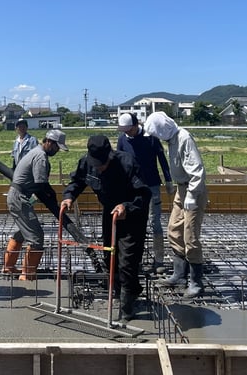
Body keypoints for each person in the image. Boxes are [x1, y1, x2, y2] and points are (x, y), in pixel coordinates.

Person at [61, 135, 150, 320]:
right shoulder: (87, 163)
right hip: (111, 212)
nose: (99, 167)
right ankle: (122, 292)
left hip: (132, 213)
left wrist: (127, 207)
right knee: (110, 255)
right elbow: (77, 181)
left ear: (110, 155)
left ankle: (127, 306)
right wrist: (69, 196)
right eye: (96, 163)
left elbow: (143, 195)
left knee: (128, 260)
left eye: (102, 163)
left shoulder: (127, 163)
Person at [144, 111, 207, 298]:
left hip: (193, 190)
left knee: (190, 236)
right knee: (174, 229)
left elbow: (198, 171)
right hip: (182, 190)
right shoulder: (171, 140)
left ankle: (196, 282)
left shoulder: (184, 138)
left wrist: (192, 195)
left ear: (163, 130)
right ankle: (179, 274)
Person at [3, 129, 69, 280]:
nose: (57, 150)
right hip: (19, 198)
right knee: (36, 237)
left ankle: (9, 267)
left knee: (23, 232)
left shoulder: (36, 152)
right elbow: (41, 184)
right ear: (49, 142)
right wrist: (51, 196)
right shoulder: (40, 157)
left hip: (18, 196)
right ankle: (27, 274)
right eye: (57, 147)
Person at [117, 112, 172, 272]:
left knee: (154, 222)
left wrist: (168, 180)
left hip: (151, 186)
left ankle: (159, 260)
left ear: (136, 126)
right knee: (134, 224)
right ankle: (135, 260)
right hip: (131, 188)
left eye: (129, 130)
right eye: (124, 131)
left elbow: (162, 159)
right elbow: (118, 160)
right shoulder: (122, 139)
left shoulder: (151, 138)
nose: (127, 133)